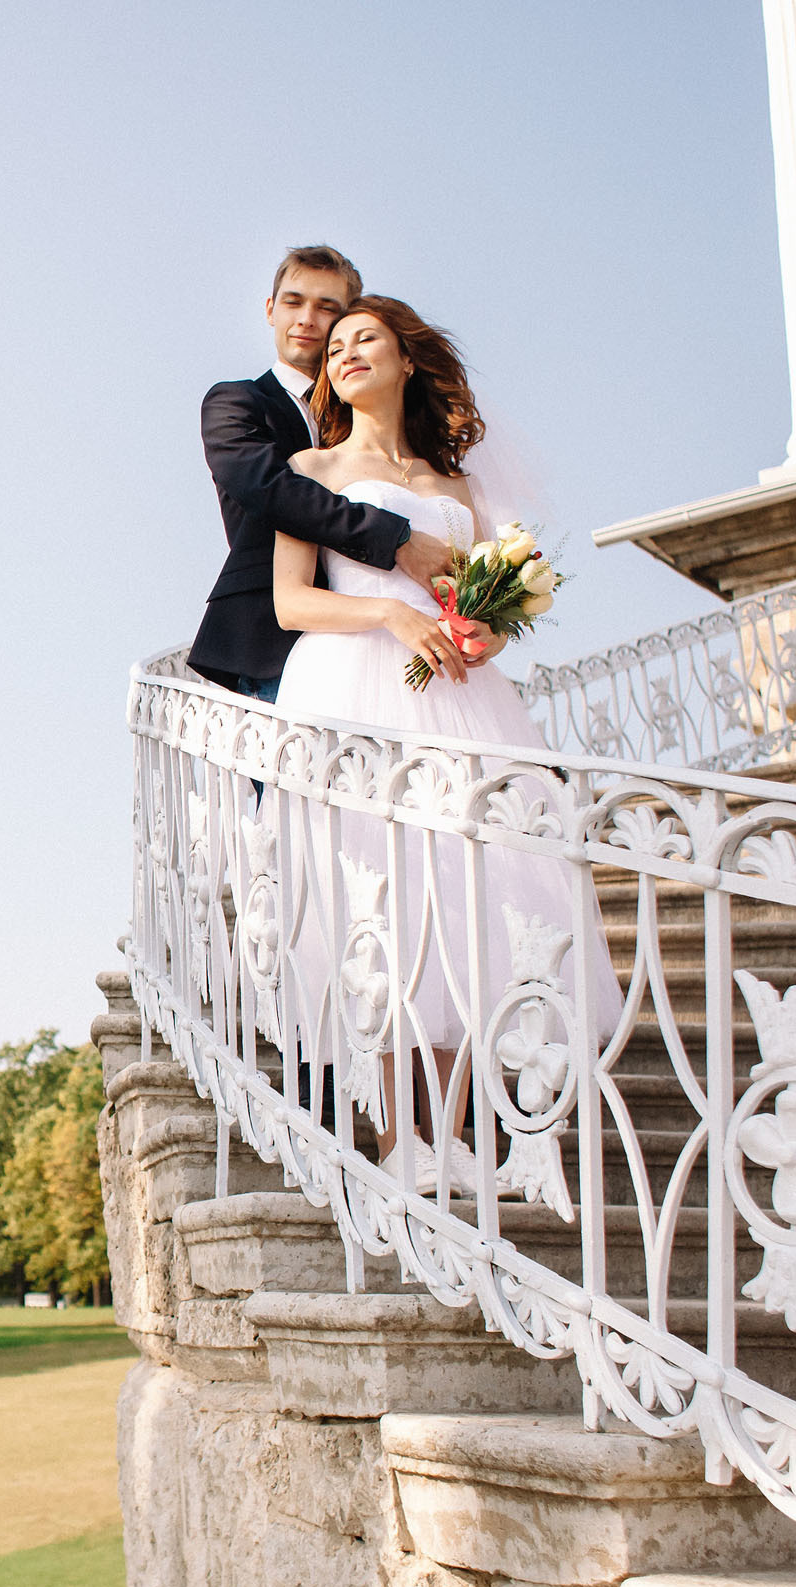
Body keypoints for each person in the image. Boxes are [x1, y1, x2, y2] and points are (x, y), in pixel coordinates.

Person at [272, 294, 620, 1188]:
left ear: (407, 361)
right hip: (356, 684)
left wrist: (488, 631)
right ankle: (397, 1140)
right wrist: (390, 612)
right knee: (381, 891)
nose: (345, 354)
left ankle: (457, 1135)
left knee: (476, 883)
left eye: (366, 340)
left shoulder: (456, 486)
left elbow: (489, 595)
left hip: (464, 699)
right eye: (335, 347)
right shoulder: (308, 464)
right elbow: (291, 602)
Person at [187, 246, 457, 700]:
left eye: (327, 307)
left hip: (395, 649)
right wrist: (399, 539)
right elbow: (271, 489)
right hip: (271, 638)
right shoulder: (236, 403)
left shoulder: (380, 420)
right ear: (271, 310)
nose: (308, 319)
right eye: (293, 302)